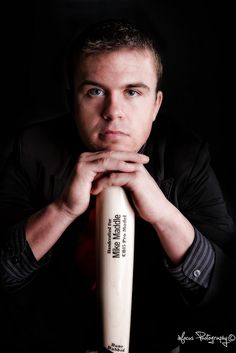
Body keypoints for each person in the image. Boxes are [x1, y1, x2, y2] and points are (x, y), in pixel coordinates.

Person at [0, 18, 235, 353]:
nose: (113, 112)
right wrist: (62, 210)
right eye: (95, 91)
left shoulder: (187, 155)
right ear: (72, 101)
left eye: (132, 92)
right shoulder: (32, 149)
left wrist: (166, 216)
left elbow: (225, 292)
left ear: (155, 104)